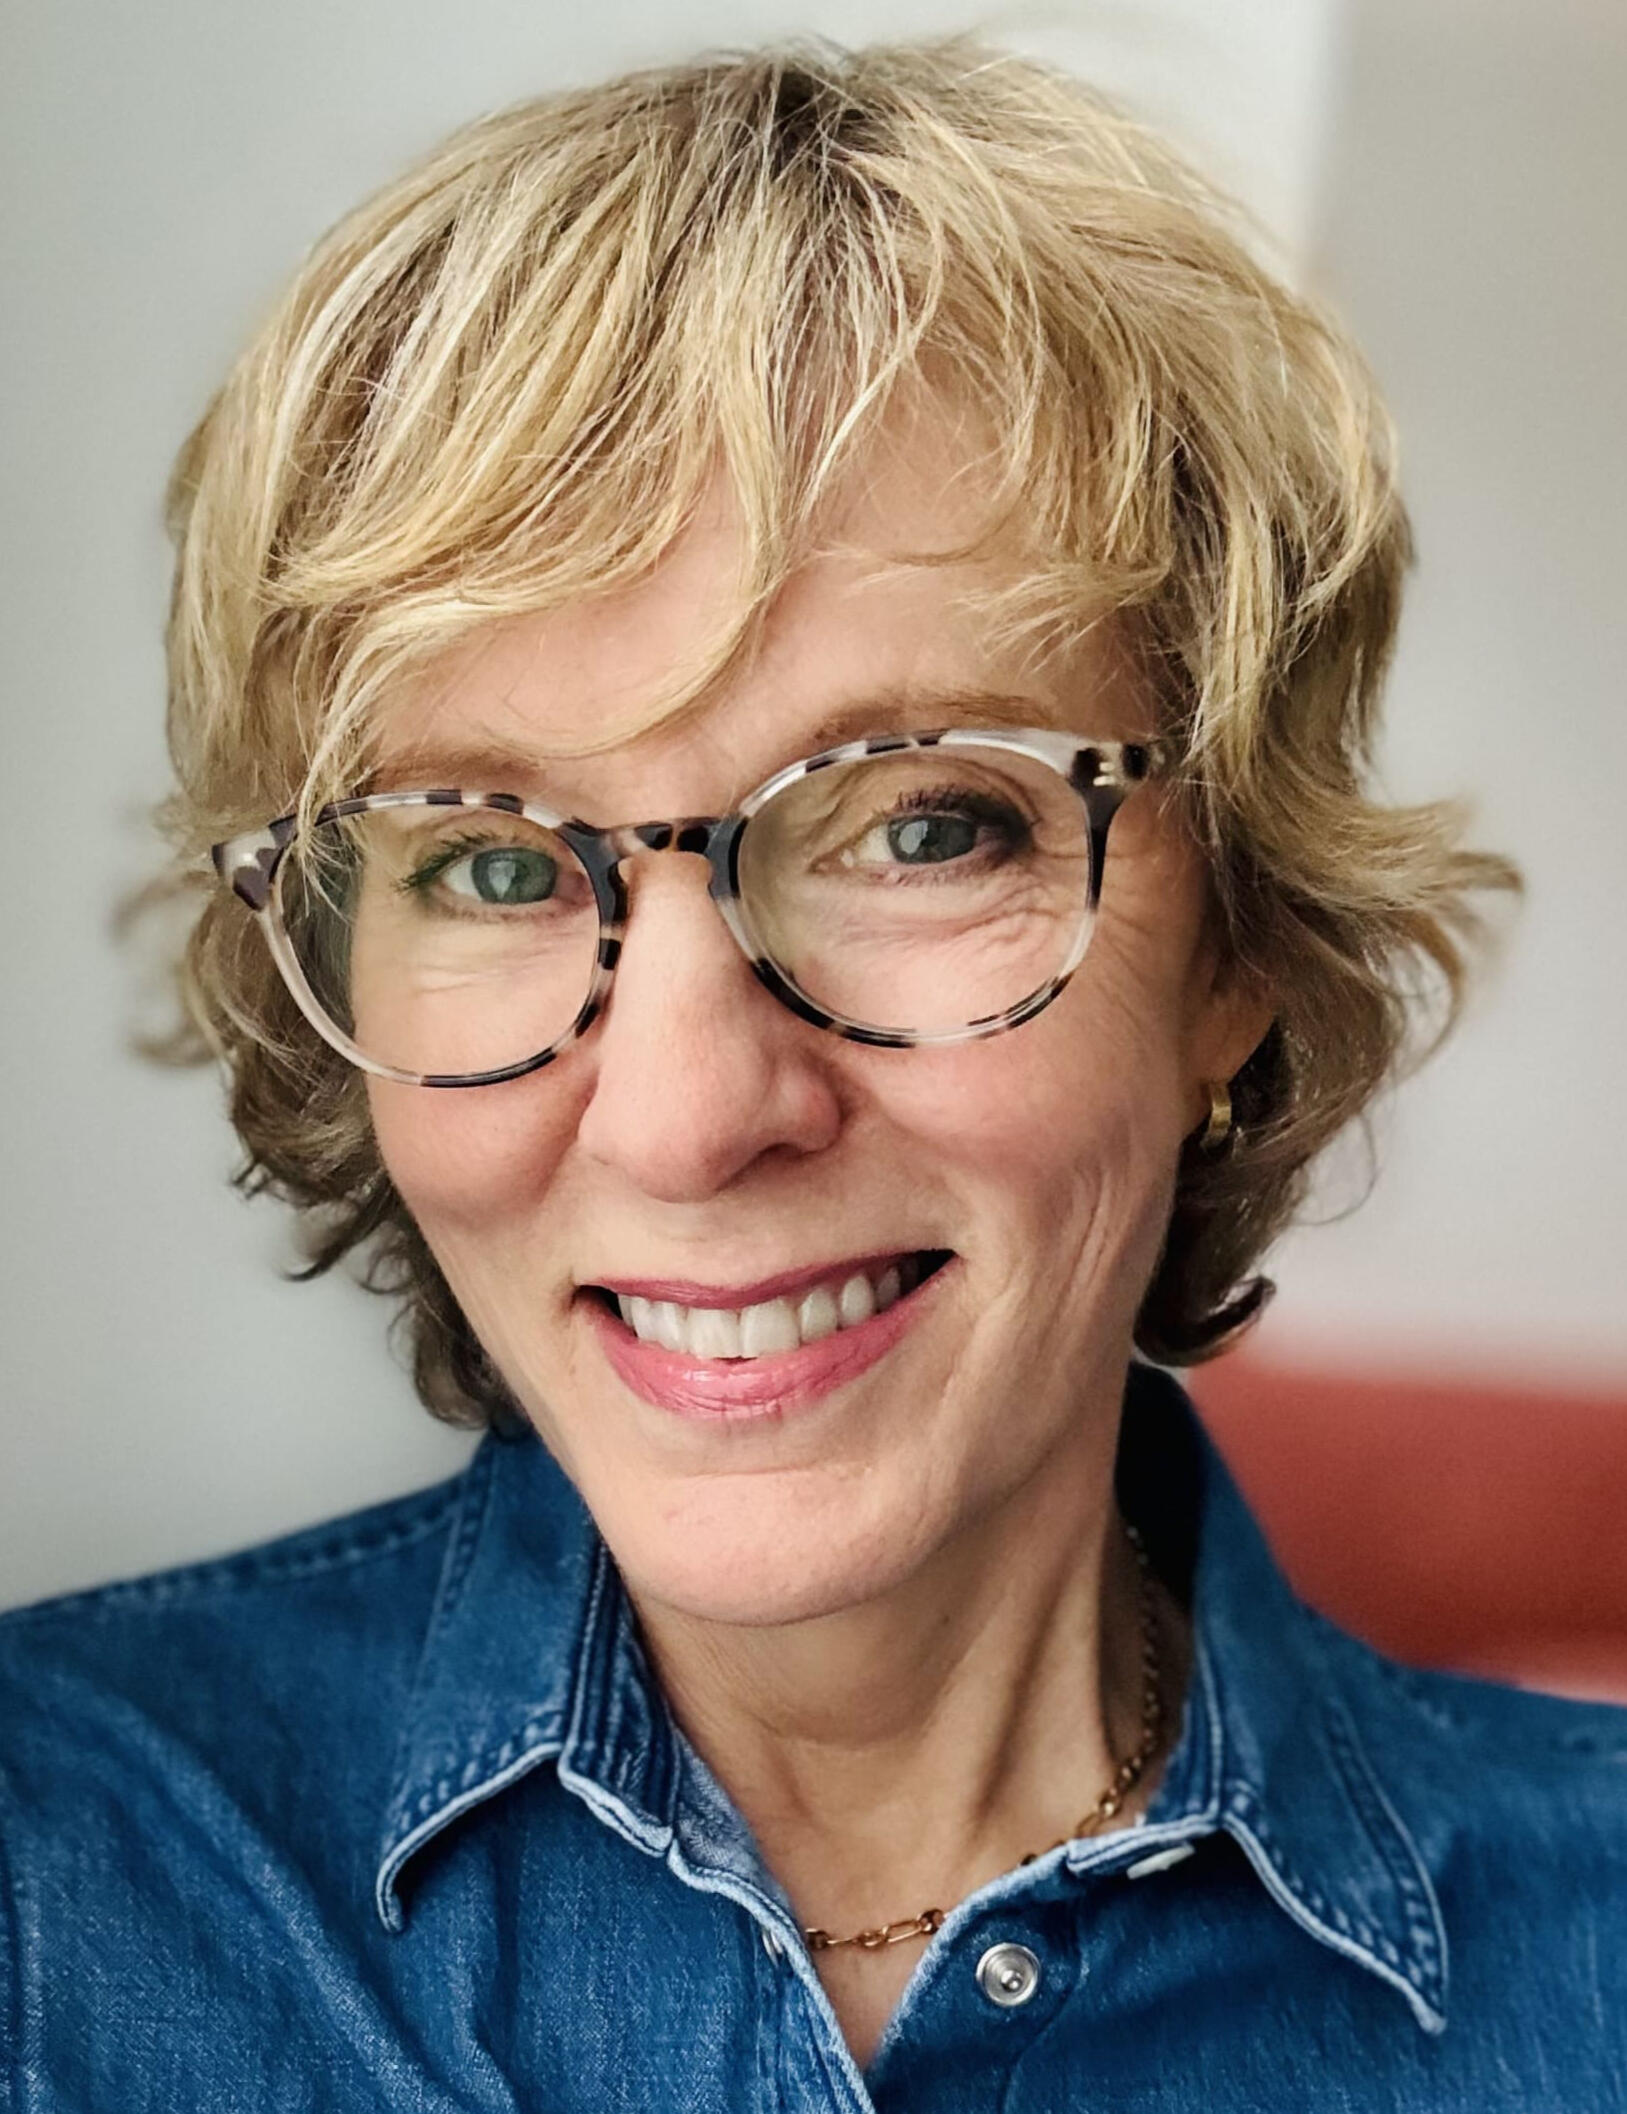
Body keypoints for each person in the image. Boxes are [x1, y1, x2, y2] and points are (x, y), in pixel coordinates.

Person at [2, 38, 1623, 2113]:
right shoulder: (49, 1882)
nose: (687, 1116)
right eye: (492, 862)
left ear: (1240, 944)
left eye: (923, 825)